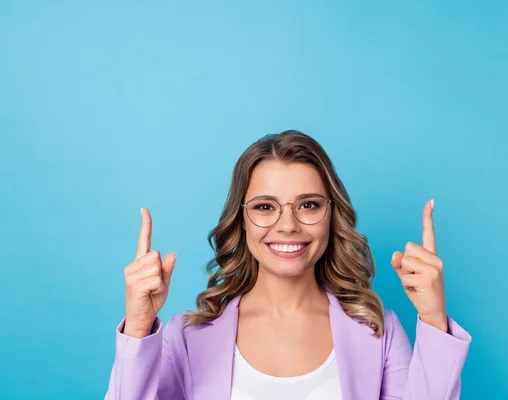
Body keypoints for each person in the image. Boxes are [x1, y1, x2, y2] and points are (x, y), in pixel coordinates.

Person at [105, 130, 471, 400]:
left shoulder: (380, 333)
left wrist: (434, 320)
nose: (288, 224)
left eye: (308, 204)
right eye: (265, 206)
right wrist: (138, 328)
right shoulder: (186, 335)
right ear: (242, 219)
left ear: (331, 215)